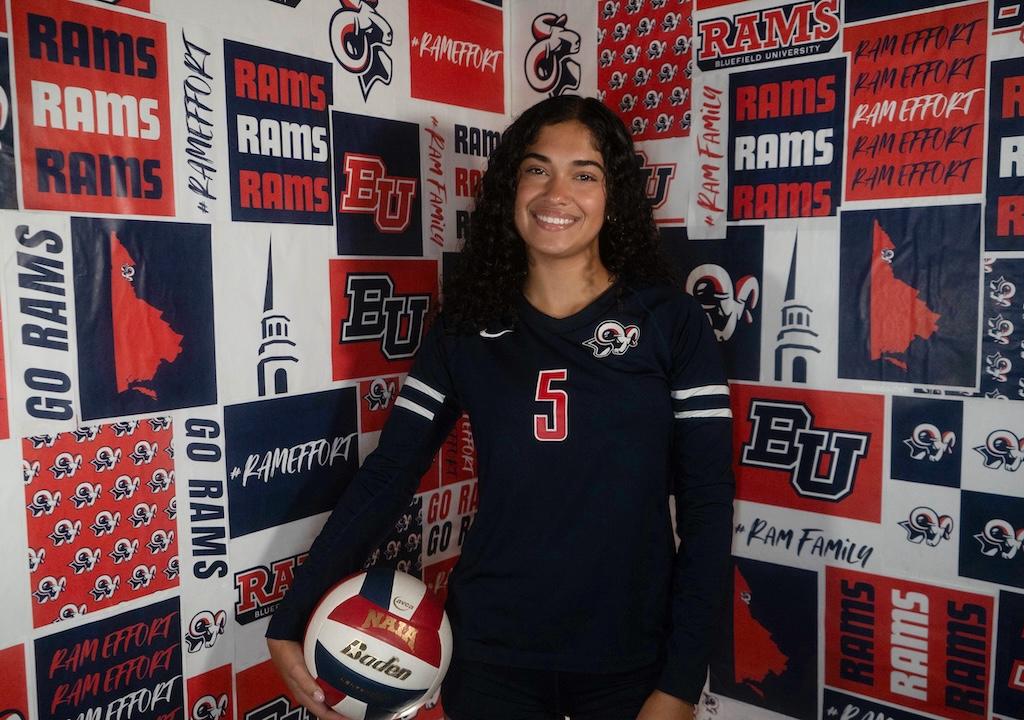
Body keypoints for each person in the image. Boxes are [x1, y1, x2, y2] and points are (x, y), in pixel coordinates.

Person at [267, 95, 734, 720]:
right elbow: (391, 473)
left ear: (614, 195)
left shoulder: (669, 322)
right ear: (511, 185)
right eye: (537, 169)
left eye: (584, 174)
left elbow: (707, 503)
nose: (556, 192)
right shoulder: (467, 326)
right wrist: (293, 613)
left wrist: (680, 681)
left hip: (631, 656)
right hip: (492, 655)